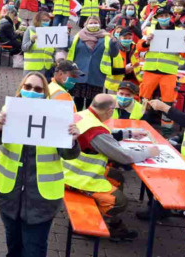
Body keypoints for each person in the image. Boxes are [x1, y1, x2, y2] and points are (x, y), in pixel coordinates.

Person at [0, 72, 81, 257]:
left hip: (42, 195)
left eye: (38, 89)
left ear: (45, 93)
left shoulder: (56, 116)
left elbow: (69, 155)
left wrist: (72, 139)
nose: (33, 90)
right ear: (21, 87)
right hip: (9, 190)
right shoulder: (10, 110)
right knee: (13, 236)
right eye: (28, 86)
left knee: (35, 247)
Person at [64, 94, 161, 241]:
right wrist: (149, 152)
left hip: (69, 171)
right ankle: (93, 226)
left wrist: (130, 133)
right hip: (78, 179)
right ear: (109, 110)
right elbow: (124, 156)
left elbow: (106, 134)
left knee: (117, 177)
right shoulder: (95, 131)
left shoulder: (83, 115)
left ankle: (113, 223)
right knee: (119, 202)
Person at [136, 8, 185, 130]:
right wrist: (146, 42)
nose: (163, 18)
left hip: (169, 72)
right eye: (161, 16)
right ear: (156, 18)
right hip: (151, 70)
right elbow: (139, 47)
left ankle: (166, 129)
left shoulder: (179, 32)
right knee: (144, 98)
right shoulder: (149, 30)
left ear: (171, 16)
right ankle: (141, 122)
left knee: (168, 101)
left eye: (166, 15)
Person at [67, 15, 118, 111]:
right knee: (77, 103)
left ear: (100, 24)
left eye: (95, 23)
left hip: (96, 75)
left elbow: (114, 53)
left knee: (92, 106)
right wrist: (66, 36)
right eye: (91, 23)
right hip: (79, 74)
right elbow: (68, 47)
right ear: (85, 24)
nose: (93, 25)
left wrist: (114, 42)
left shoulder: (106, 37)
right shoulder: (78, 36)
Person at [22, 10, 56, 79]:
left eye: (48, 20)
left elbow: (54, 51)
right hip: (32, 68)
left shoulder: (51, 32)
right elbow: (24, 48)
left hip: (47, 68)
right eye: (44, 20)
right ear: (38, 20)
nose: (46, 22)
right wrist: (31, 41)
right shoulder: (30, 30)